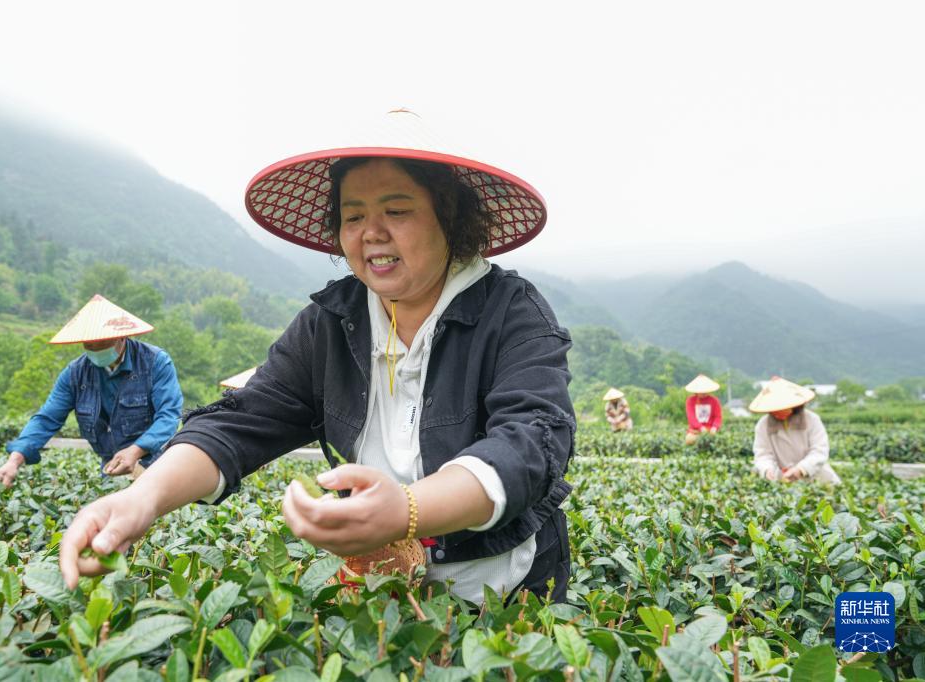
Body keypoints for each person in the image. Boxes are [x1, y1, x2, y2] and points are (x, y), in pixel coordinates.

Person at [58, 111, 576, 604]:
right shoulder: (331, 322)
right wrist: (142, 498)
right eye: (354, 216)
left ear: (450, 217)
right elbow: (243, 420)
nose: (371, 232)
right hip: (379, 586)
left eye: (397, 211)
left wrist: (409, 510)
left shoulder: (511, 313)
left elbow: (532, 441)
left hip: (504, 589)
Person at [0, 295, 184, 487]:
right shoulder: (75, 374)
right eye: (89, 345)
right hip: (112, 466)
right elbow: (47, 418)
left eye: (102, 343)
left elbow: (169, 416)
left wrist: (136, 450)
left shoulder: (155, 362)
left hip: (157, 463)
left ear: (122, 336)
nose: (96, 349)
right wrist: (14, 460)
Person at [749, 376, 841, 484]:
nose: (778, 409)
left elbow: (819, 451)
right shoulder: (763, 425)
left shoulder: (812, 420)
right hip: (782, 479)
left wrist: (801, 469)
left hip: (817, 479)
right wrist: (767, 469)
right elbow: (763, 454)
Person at [684, 374, 723, 445]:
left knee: (719, 442)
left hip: (711, 431)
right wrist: (701, 428)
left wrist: (714, 427)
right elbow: (691, 418)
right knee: (689, 439)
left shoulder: (714, 401)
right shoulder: (690, 401)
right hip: (695, 431)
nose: (703, 393)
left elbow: (718, 417)